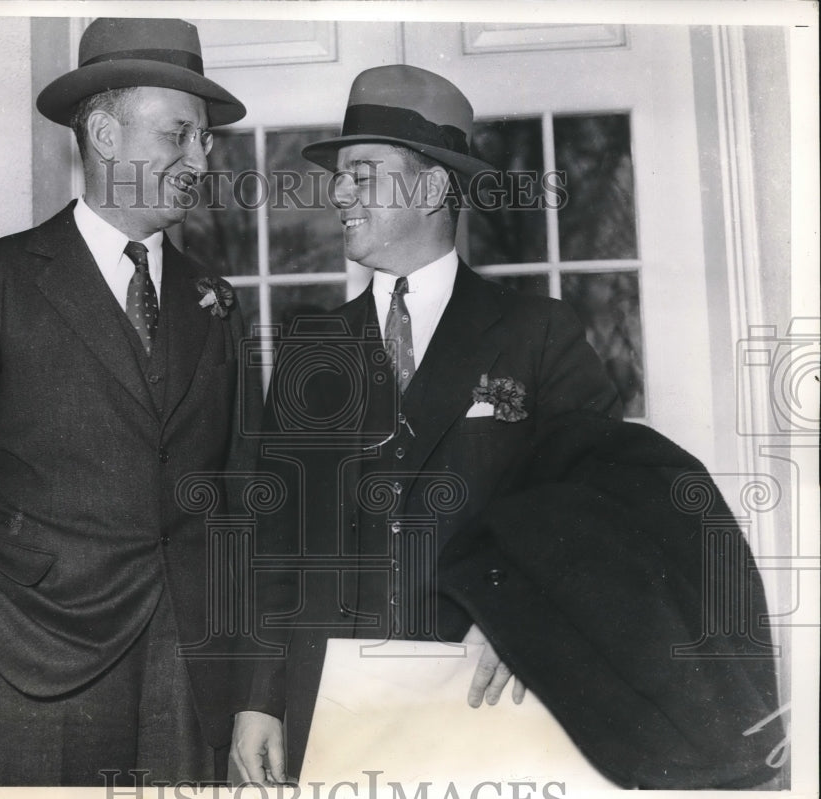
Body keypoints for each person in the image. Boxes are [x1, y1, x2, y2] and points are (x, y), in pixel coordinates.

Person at [230, 65, 782, 789]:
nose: (337, 193)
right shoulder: (310, 346)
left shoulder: (538, 332)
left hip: (490, 697)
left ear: (432, 189)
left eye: (361, 175)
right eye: (341, 176)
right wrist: (259, 700)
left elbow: (604, 506)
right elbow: (275, 537)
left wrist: (526, 611)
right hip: (331, 701)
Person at [0, 18, 257, 787]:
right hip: (33, 664)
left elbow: (241, 500)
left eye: (207, 141)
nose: (200, 159)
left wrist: (252, 678)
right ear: (104, 133)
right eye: (181, 134)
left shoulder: (215, 300)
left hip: (189, 669)